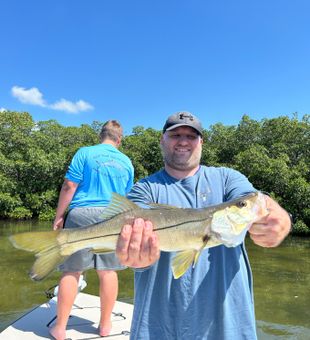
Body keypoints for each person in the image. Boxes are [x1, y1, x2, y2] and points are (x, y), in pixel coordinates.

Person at [116, 112, 292, 340]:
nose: (183, 141)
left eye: (191, 136)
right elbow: (130, 236)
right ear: (162, 140)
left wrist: (280, 216)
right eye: (175, 134)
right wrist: (134, 257)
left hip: (227, 327)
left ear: (201, 142)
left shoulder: (227, 178)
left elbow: (253, 198)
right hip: (158, 327)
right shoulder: (145, 189)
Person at [50, 120, 134, 340]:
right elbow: (126, 197)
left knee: (72, 270)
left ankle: (60, 328)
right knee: (108, 272)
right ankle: (105, 326)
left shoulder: (84, 153)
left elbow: (70, 185)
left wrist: (59, 215)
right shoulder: (126, 162)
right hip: (114, 217)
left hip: (81, 214)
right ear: (119, 139)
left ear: (101, 135)